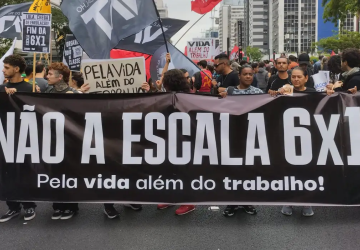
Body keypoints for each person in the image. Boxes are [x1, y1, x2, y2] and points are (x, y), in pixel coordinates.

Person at [218, 65, 260, 217]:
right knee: (232, 171)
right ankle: (232, 203)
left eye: (250, 74)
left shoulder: (258, 93)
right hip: (232, 136)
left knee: (248, 171)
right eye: (245, 74)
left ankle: (247, 201)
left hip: (250, 137)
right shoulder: (230, 91)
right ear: (240, 76)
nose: (249, 77)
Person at [0, 55, 37, 222]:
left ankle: (29, 205)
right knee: (7, 173)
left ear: (16, 69)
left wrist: (19, 96)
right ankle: (12, 207)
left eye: (6, 67)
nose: (3, 70)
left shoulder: (30, 88)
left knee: (24, 171)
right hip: (4, 139)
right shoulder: (1, 88)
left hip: (25, 138)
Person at [277, 67, 316, 217]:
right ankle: (289, 200)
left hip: (309, 137)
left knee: (307, 170)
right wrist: (275, 94)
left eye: (299, 77)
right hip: (288, 136)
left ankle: (307, 202)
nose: (296, 80)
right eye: (293, 77)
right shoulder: (285, 91)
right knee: (289, 169)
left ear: (306, 78)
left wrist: (331, 93)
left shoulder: (313, 92)